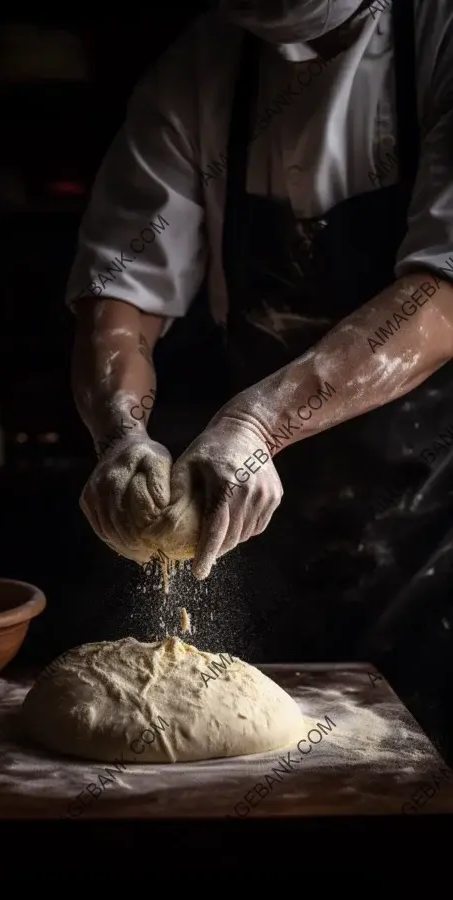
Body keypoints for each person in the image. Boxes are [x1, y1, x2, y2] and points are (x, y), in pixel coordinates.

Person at [66, 0, 452, 675]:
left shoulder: (440, 34)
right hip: (250, 508)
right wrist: (118, 434)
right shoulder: (198, 69)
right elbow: (120, 290)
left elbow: (443, 294)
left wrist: (259, 421)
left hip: (433, 506)